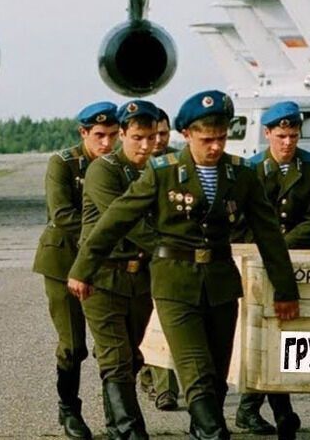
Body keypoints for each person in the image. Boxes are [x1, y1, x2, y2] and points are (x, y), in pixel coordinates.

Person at [69, 91, 301, 440]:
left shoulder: (241, 174)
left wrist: (285, 290)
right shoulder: (163, 173)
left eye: (221, 138)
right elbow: (116, 220)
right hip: (175, 286)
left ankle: (203, 428)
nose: (215, 147)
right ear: (187, 135)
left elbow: (269, 235)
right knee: (197, 373)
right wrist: (81, 269)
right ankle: (212, 432)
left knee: (218, 376)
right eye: (207, 139)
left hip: (221, 284)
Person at [78, 99, 168, 440]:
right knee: (116, 359)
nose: (146, 145)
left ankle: (116, 427)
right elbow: (127, 220)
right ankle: (133, 432)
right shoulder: (104, 170)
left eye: (151, 138)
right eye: (137, 138)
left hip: (139, 278)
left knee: (129, 360)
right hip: (102, 276)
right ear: (124, 136)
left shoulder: (159, 168)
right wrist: (172, 249)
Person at [230, 102, 310, 439]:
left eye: (293, 135)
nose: (287, 142)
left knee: (283, 333)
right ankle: (274, 412)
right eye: (281, 135)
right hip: (256, 260)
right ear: (267, 134)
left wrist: (280, 244)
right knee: (261, 333)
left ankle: (254, 409)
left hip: (296, 259)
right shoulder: (249, 170)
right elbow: (239, 220)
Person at [36, 101, 121, 440]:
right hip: (64, 261)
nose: (106, 143)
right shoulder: (63, 164)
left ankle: (118, 417)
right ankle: (69, 408)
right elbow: (62, 214)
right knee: (73, 344)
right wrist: (104, 240)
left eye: (113, 135)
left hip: (107, 263)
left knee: (114, 345)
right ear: (83, 133)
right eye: (99, 135)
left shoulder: (119, 165)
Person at [137, 116, 181, 413]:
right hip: (135, 258)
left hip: (167, 258)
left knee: (164, 324)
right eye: (155, 134)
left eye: (164, 134)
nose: (159, 140)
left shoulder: (178, 165)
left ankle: (167, 390)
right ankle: (147, 371)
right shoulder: (130, 165)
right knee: (140, 328)